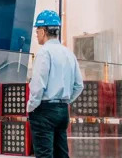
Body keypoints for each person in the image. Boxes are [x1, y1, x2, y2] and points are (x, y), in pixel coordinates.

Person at [26, 10, 83, 158]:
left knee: (45, 154)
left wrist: (31, 107)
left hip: (44, 111)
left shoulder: (44, 53)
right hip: (63, 110)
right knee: (61, 154)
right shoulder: (69, 53)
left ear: (44, 31)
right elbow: (79, 85)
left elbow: (38, 85)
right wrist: (64, 102)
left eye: (37, 30)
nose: (36, 34)